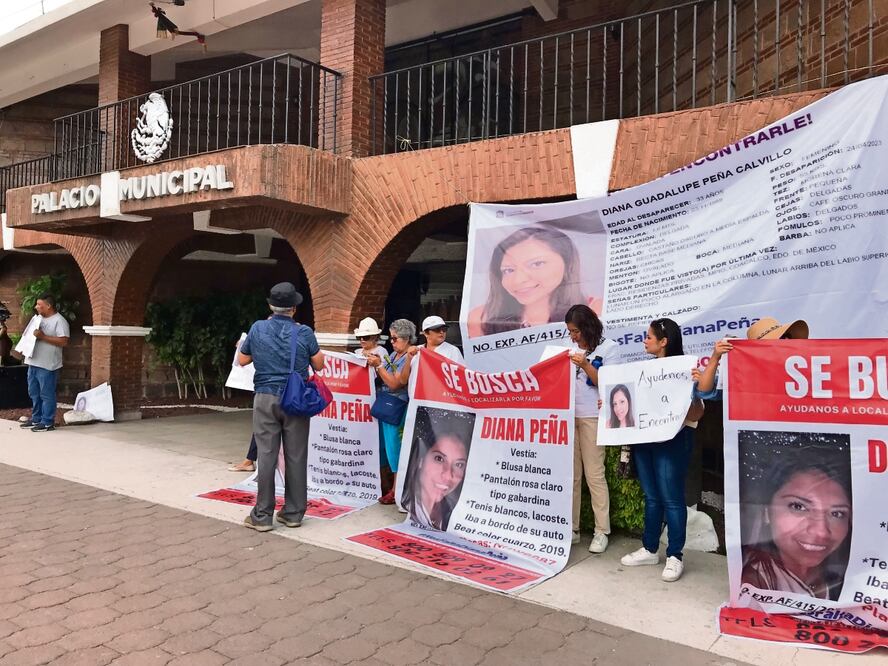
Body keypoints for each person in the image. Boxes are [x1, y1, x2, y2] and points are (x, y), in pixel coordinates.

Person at [619, 318, 711, 582]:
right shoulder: (643, 371)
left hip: (674, 440)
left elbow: (698, 413)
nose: (644, 341)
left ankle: (675, 555)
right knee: (652, 497)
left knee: (672, 499)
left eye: (649, 337)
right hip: (644, 440)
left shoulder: (686, 370)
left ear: (664, 341)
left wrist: (695, 391)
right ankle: (649, 549)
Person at [237, 282, 324, 531]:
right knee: (296, 456)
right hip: (296, 399)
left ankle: (262, 516)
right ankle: (293, 513)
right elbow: (318, 365)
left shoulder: (258, 328)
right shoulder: (304, 332)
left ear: (270, 305)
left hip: (265, 397)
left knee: (266, 456)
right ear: (294, 308)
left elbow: (243, 359)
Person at [742, 457, 851, 600]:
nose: (821, 532)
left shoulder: (846, 582)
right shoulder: (753, 584)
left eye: (837, 514)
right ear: (767, 511)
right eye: (798, 506)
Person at [467, 227, 600, 337]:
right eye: (508, 270)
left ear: (567, 263)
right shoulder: (481, 319)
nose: (519, 280)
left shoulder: (596, 310)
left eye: (536, 264)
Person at [565, 304, 618, 552]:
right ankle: (572, 528)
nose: (573, 336)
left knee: (594, 475)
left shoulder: (610, 348)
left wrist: (586, 365)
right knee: (571, 476)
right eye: (570, 331)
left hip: (593, 417)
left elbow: (608, 385)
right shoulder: (567, 348)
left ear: (587, 326)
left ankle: (601, 530)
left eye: (575, 330)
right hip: (567, 416)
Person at [366, 318, 415, 505]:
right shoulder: (394, 356)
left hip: (398, 406)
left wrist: (378, 366)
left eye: (395, 338)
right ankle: (389, 485)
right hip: (388, 405)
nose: (392, 342)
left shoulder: (408, 357)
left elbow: (396, 383)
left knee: (395, 447)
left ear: (406, 339)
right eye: (392, 338)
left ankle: (396, 489)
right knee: (387, 447)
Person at [400, 408, 474, 531]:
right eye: (439, 459)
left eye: (459, 464)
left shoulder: (455, 515)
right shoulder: (410, 506)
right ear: (421, 460)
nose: (448, 475)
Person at [694, 317, 810, 394]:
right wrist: (715, 357)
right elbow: (705, 392)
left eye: (786, 336)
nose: (785, 341)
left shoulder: (809, 366)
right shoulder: (745, 375)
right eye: (777, 339)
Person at [21, 294, 69, 432]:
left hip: (48, 364)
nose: (36, 307)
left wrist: (43, 337)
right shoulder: (37, 319)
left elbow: (64, 341)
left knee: (46, 394)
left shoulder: (59, 321)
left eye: (39, 304)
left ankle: (47, 422)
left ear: (48, 306)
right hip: (33, 361)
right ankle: (36, 419)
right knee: (34, 392)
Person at [403, 315, 463, 380]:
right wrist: (408, 359)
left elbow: (461, 377)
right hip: (418, 390)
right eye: (437, 329)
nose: (441, 332)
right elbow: (403, 381)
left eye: (444, 329)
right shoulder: (416, 351)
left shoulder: (453, 351)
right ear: (426, 333)